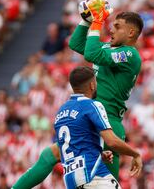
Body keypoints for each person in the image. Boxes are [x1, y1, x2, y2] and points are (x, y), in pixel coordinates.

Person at [12, 0, 144, 188]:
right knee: (51, 154)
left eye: (117, 26)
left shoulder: (130, 55)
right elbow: (75, 44)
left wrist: (97, 23)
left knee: (103, 179)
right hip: (90, 115)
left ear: (131, 33)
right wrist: (86, 20)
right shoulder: (110, 49)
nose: (112, 29)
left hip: (107, 119)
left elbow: (90, 52)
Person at [13, 66, 142, 189]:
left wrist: (99, 154)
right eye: (95, 82)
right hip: (94, 176)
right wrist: (135, 154)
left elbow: (72, 147)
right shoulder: (92, 105)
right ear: (92, 85)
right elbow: (111, 141)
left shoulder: (61, 111)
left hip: (71, 180)